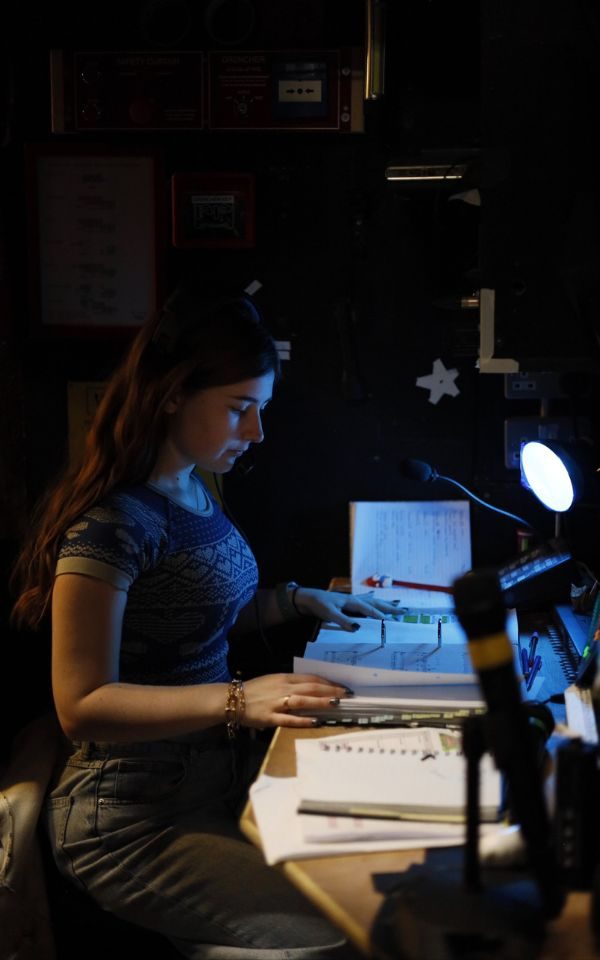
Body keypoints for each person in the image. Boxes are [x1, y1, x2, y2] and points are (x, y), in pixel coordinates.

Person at [10, 285, 397, 959]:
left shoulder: (193, 485)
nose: (256, 433)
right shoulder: (107, 529)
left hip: (215, 777)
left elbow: (196, 615)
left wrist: (300, 600)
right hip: (128, 817)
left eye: (261, 410)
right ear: (171, 395)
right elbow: (80, 704)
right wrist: (239, 700)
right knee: (342, 934)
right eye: (240, 410)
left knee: (379, 878)